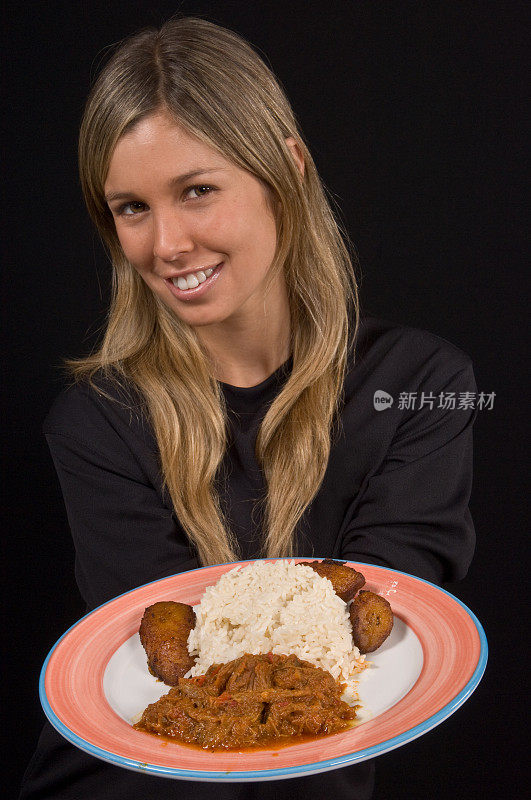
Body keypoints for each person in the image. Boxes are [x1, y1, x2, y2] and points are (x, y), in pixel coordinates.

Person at [20, 15, 477, 800]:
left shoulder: (423, 383)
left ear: (287, 168)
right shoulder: (97, 421)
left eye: (197, 190)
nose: (165, 244)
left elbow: (380, 631)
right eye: (131, 208)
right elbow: (177, 681)